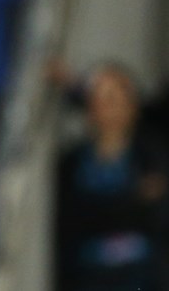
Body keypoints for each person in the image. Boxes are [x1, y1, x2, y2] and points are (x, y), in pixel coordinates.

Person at [55, 61, 169, 291]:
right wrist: (134, 200)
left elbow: (157, 217)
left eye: (114, 98)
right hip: (89, 278)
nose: (106, 105)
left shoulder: (151, 157)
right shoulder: (71, 164)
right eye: (99, 97)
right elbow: (73, 223)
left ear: (132, 106)